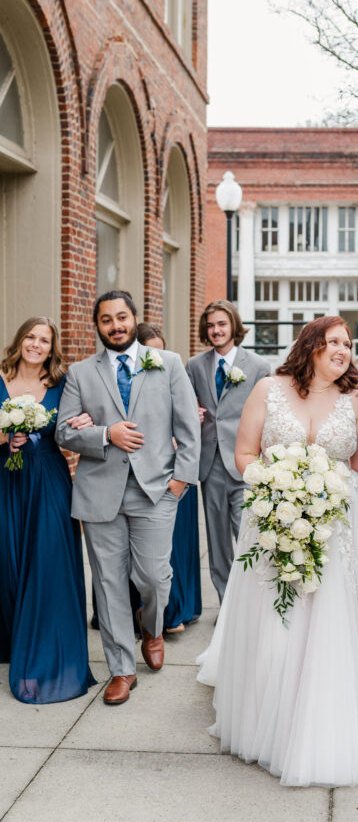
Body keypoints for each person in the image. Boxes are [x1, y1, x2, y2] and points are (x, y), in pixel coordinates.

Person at [196, 316, 358, 787]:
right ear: (310, 346)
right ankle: (269, 715)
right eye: (333, 341)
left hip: (337, 524)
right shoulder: (268, 389)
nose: (343, 350)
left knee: (329, 617)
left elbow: (357, 467)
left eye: (348, 344)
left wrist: (330, 498)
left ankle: (324, 714)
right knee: (276, 614)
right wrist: (278, 489)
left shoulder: (356, 401)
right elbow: (244, 455)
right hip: (275, 515)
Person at [56, 291, 200, 705]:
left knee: (154, 577)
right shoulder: (81, 373)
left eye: (122, 317)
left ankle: (152, 628)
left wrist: (180, 483)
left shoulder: (168, 363)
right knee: (108, 581)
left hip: (156, 491)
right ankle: (121, 669)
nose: (115, 325)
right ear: (97, 326)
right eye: (106, 320)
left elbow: (189, 428)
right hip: (99, 493)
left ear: (134, 319)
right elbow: (63, 432)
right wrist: (104, 434)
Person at [0, 317, 95, 703]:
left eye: (44, 340)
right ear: (20, 340)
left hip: (49, 482)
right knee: (8, 561)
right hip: (6, 480)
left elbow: (70, 433)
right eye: (30, 337)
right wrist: (8, 432)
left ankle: (42, 647)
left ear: (51, 348)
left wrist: (85, 422)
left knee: (47, 563)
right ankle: (9, 639)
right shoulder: (1, 376)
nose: (36, 345)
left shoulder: (62, 384)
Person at [186, 300, 270, 603]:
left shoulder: (258, 366)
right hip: (210, 465)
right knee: (217, 539)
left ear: (234, 326)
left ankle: (254, 601)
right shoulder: (195, 366)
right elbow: (187, 406)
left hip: (246, 462)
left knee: (248, 534)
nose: (216, 330)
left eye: (221, 324)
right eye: (210, 326)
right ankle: (226, 602)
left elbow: (268, 415)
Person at [138, 322, 201, 633]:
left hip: (175, 475)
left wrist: (181, 478)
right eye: (151, 350)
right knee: (149, 557)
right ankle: (153, 615)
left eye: (160, 349)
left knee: (172, 553)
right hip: (144, 476)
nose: (156, 356)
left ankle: (178, 609)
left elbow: (187, 418)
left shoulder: (173, 371)